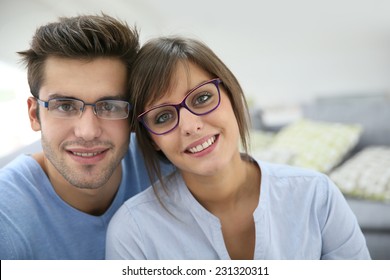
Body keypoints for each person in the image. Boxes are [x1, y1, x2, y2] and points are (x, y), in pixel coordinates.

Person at [105, 36, 371, 260]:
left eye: (202, 97)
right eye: (162, 117)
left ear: (231, 96)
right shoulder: (133, 232)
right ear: (152, 139)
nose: (190, 126)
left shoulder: (317, 196)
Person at [0, 14, 154, 260]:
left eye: (110, 106)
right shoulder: (5, 219)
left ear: (132, 116)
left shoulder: (166, 164)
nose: (88, 131)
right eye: (64, 106)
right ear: (34, 115)